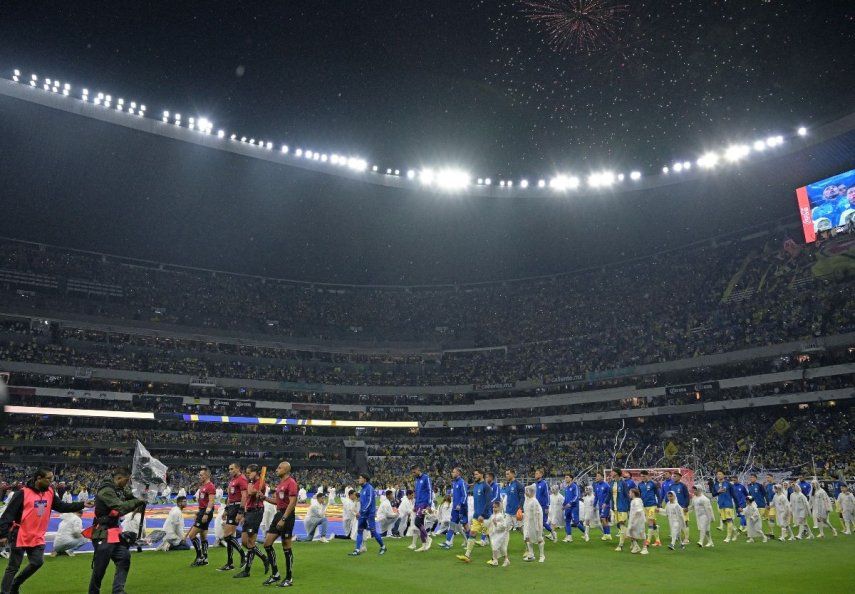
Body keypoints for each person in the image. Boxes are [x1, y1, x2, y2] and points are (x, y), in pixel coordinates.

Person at [0, 467, 88, 594]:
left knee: (37, 562)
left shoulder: (50, 492)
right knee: (13, 567)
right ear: (38, 478)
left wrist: (82, 505)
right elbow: (8, 515)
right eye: (48, 479)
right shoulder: (23, 493)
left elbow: (62, 507)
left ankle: (16, 584)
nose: (51, 482)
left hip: (38, 536)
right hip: (20, 534)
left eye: (52, 479)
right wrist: (2, 535)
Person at [87, 466, 146, 594]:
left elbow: (131, 496)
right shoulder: (107, 490)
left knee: (124, 557)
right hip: (102, 532)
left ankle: (118, 591)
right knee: (100, 567)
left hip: (112, 532)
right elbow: (120, 508)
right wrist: (138, 501)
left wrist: (144, 493)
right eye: (126, 480)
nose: (127, 483)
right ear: (119, 478)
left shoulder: (118, 489)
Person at [261, 461, 299, 587]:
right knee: (267, 544)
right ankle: (276, 574)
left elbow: (293, 502)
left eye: (279, 467)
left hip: (286, 516)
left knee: (286, 546)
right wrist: (264, 498)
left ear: (286, 470)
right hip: (279, 514)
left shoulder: (291, 483)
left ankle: (289, 578)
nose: (276, 469)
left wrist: (283, 518)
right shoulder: (280, 484)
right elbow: (278, 501)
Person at [233, 464, 270, 580]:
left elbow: (249, 492)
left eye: (249, 473)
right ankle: (264, 558)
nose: (248, 475)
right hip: (249, 512)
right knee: (245, 542)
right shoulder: (254, 482)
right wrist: (244, 514)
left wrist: (249, 481)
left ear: (256, 472)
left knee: (250, 542)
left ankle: (247, 571)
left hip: (256, 512)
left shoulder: (260, 482)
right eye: (247, 473)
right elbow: (249, 498)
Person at [218, 462, 248, 571]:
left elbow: (245, 495)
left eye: (232, 469)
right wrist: (226, 509)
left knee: (227, 536)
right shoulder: (232, 480)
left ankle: (241, 554)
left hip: (236, 508)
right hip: (231, 507)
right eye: (229, 469)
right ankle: (230, 563)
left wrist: (240, 511)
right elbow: (230, 497)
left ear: (238, 468)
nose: (230, 471)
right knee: (229, 536)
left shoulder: (242, 479)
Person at [457, 470, 491, 563]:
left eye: (476, 474)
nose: (474, 475)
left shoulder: (486, 486)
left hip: (485, 517)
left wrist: (483, 515)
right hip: (477, 517)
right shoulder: (476, 485)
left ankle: (500, 554)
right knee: (472, 533)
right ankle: (467, 555)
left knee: (491, 536)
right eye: (474, 474)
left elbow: (488, 503)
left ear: (482, 474)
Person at [185, 467, 217, 567]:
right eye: (199, 475)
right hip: (202, 511)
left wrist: (206, 514)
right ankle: (205, 558)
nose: (200, 477)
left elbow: (211, 501)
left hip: (206, 512)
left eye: (201, 475)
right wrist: (198, 512)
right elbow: (203, 502)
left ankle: (199, 557)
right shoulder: (203, 486)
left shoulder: (210, 486)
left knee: (192, 535)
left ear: (207, 475)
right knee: (203, 536)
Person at [350, 473, 386, 558]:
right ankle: (357, 550)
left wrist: (363, 511)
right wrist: (359, 512)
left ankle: (383, 547)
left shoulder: (369, 488)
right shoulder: (361, 489)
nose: (359, 480)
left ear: (365, 479)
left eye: (360, 478)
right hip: (363, 514)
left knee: (373, 531)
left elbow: (369, 501)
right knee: (360, 531)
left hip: (369, 514)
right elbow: (362, 503)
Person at [440, 468, 468, 550]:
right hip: (455, 508)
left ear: (458, 473)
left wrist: (460, 504)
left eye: (453, 472)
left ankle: (469, 543)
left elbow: (465, 495)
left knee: (465, 526)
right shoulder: (454, 482)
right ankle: (448, 542)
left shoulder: (461, 482)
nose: (452, 473)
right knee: (452, 525)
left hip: (461, 508)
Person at [410, 465, 434, 552]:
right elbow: (416, 494)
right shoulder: (416, 480)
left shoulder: (425, 478)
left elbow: (430, 491)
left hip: (424, 504)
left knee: (417, 522)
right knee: (421, 524)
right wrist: (415, 505)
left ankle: (428, 538)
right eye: (412, 472)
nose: (413, 474)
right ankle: (424, 545)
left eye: (414, 472)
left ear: (418, 469)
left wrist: (429, 504)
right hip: (419, 504)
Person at [638, 470, 661, 547]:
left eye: (644, 476)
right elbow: (640, 495)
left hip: (652, 505)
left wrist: (659, 505)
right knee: (652, 523)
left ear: (647, 476)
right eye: (641, 476)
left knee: (650, 522)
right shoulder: (640, 485)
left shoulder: (652, 484)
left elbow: (657, 494)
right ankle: (658, 541)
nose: (642, 478)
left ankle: (648, 541)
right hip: (644, 506)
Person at [522, 484, 545, 563]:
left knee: (539, 538)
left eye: (527, 491)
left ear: (531, 492)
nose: (526, 493)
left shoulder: (535, 501)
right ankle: (531, 555)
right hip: (528, 522)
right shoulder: (527, 500)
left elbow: (537, 514)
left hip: (535, 523)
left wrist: (538, 525)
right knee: (528, 538)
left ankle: (542, 556)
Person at [712, 471, 737, 543]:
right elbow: (713, 494)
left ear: (723, 475)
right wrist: (718, 492)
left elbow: (734, 495)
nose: (718, 475)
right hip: (720, 504)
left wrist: (738, 506)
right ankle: (735, 531)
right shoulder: (715, 484)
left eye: (720, 474)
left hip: (728, 504)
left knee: (729, 520)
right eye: (717, 474)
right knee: (724, 521)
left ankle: (728, 537)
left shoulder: (728, 484)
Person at [485, 500, 511, 567]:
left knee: (501, 548)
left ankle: (506, 560)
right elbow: (489, 523)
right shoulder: (492, 516)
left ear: (499, 508)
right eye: (493, 507)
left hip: (501, 534)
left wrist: (496, 523)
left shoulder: (501, 516)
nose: (494, 509)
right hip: (494, 534)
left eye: (496, 507)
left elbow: (504, 526)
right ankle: (495, 560)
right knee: (494, 547)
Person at [610, 468, 632, 548]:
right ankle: (633, 540)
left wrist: (629, 507)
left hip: (622, 507)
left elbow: (627, 496)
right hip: (615, 508)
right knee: (619, 525)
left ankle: (620, 545)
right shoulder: (612, 482)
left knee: (622, 525)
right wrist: (605, 503)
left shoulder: (623, 483)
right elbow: (610, 494)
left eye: (613, 471)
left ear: (617, 473)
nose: (611, 473)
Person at [534, 468, 557, 542]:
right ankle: (540, 537)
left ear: (541, 474)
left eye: (537, 473)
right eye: (535, 473)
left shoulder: (544, 483)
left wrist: (547, 506)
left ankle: (553, 532)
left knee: (543, 522)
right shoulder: (536, 484)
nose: (535, 475)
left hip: (543, 506)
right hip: (537, 506)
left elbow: (547, 495)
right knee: (537, 522)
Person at [624, 488, 647, 555]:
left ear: (633, 493)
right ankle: (636, 546)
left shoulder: (636, 501)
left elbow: (639, 510)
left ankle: (645, 548)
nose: (629, 494)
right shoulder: (634, 500)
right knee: (630, 532)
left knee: (642, 534)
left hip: (638, 520)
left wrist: (634, 519)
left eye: (630, 493)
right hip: (634, 520)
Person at [561, 473, 581, 543]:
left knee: (576, 522)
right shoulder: (566, 488)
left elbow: (576, 496)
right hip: (567, 507)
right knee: (567, 521)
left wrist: (570, 503)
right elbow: (566, 498)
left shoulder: (575, 486)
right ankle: (569, 536)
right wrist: (563, 505)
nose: (565, 479)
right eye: (565, 477)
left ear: (571, 479)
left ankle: (585, 533)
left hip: (574, 506)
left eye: (567, 477)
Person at [593, 471, 612, 540]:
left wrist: (606, 503)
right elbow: (596, 497)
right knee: (603, 520)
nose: (596, 477)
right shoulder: (597, 485)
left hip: (605, 505)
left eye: (598, 476)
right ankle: (606, 534)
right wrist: (594, 505)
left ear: (602, 476)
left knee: (603, 518)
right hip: (600, 505)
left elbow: (609, 495)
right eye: (596, 476)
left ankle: (608, 534)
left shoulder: (606, 485)